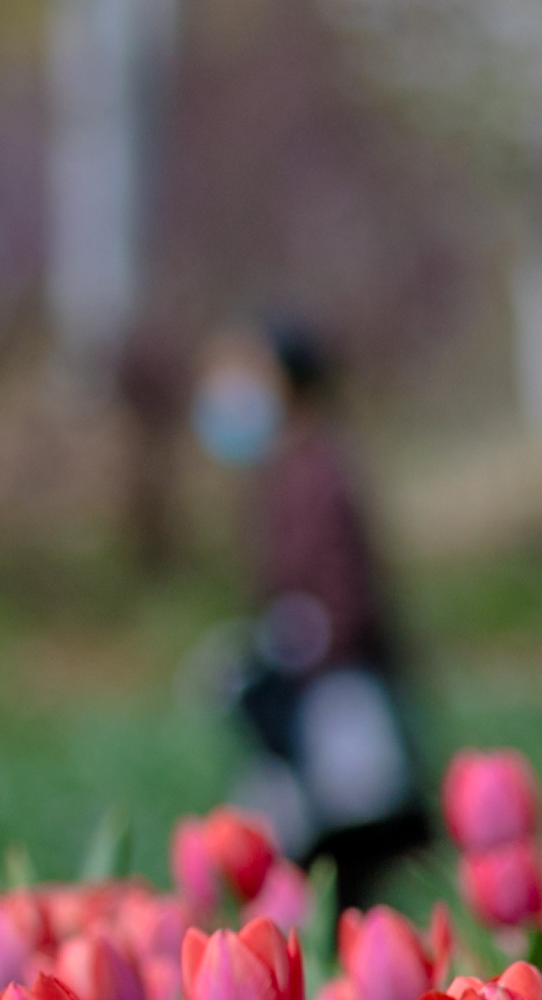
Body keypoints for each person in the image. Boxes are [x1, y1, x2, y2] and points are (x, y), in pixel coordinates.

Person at [195, 319, 432, 902]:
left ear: (286, 382)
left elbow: (345, 594)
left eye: (248, 375)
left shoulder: (317, 472)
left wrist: (297, 641)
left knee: (345, 846)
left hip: (334, 684)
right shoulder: (286, 467)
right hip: (310, 679)